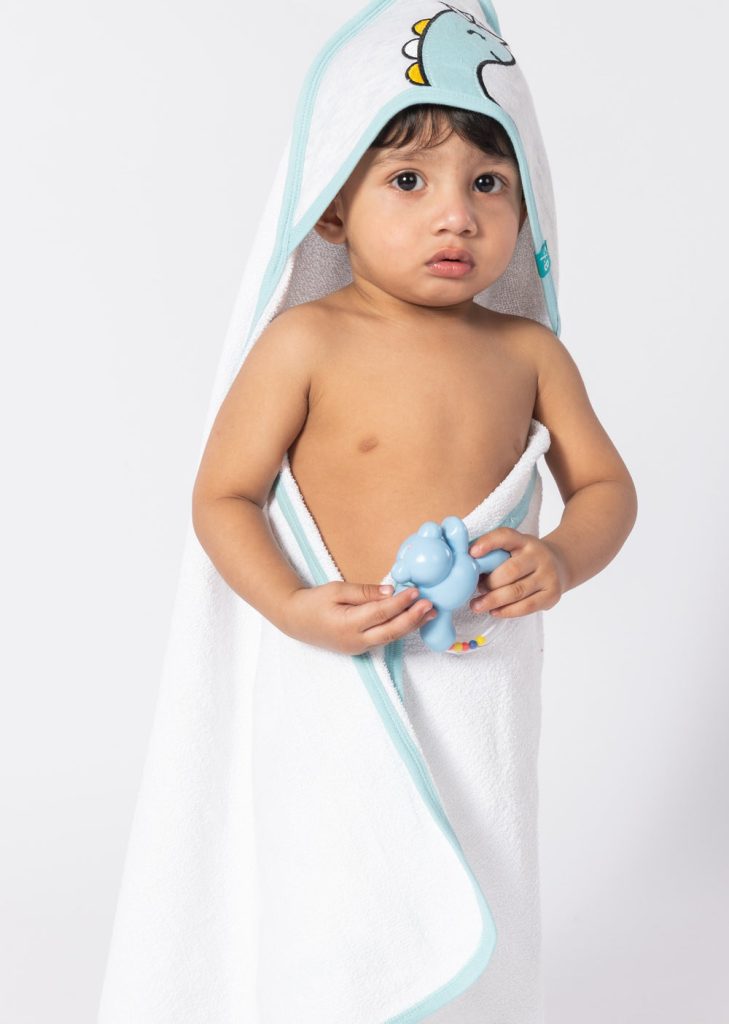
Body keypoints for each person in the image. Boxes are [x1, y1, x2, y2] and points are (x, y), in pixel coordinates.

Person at [190, 103, 637, 654]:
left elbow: (605, 486)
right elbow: (225, 497)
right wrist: (288, 606)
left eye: (487, 183)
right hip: (338, 667)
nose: (458, 217)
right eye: (408, 180)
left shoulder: (531, 353)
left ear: (525, 211)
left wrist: (563, 559)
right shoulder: (304, 342)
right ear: (333, 211)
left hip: (480, 662)